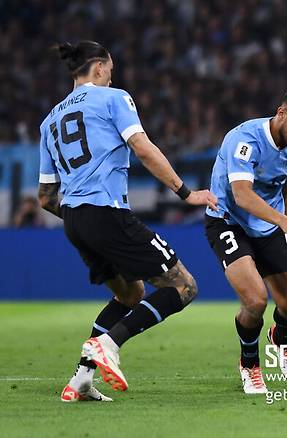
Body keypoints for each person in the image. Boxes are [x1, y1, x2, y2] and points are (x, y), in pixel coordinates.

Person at [38, 41, 217, 402]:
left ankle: (81, 379)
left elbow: (44, 198)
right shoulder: (114, 98)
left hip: (73, 219)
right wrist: (187, 193)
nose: (111, 76)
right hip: (107, 213)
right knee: (183, 286)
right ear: (101, 67)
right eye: (111, 70)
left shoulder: (49, 120)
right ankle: (109, 344)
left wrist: (81, 218)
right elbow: (142, 147)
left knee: (131, 293)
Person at [204, 85, 287, 394]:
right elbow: (242, 195)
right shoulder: (244, 140)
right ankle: (250, 364)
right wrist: (283, 221)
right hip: (228, 221)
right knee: (256, 299)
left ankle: (280, 339)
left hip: (270, 225)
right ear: (281, 114)